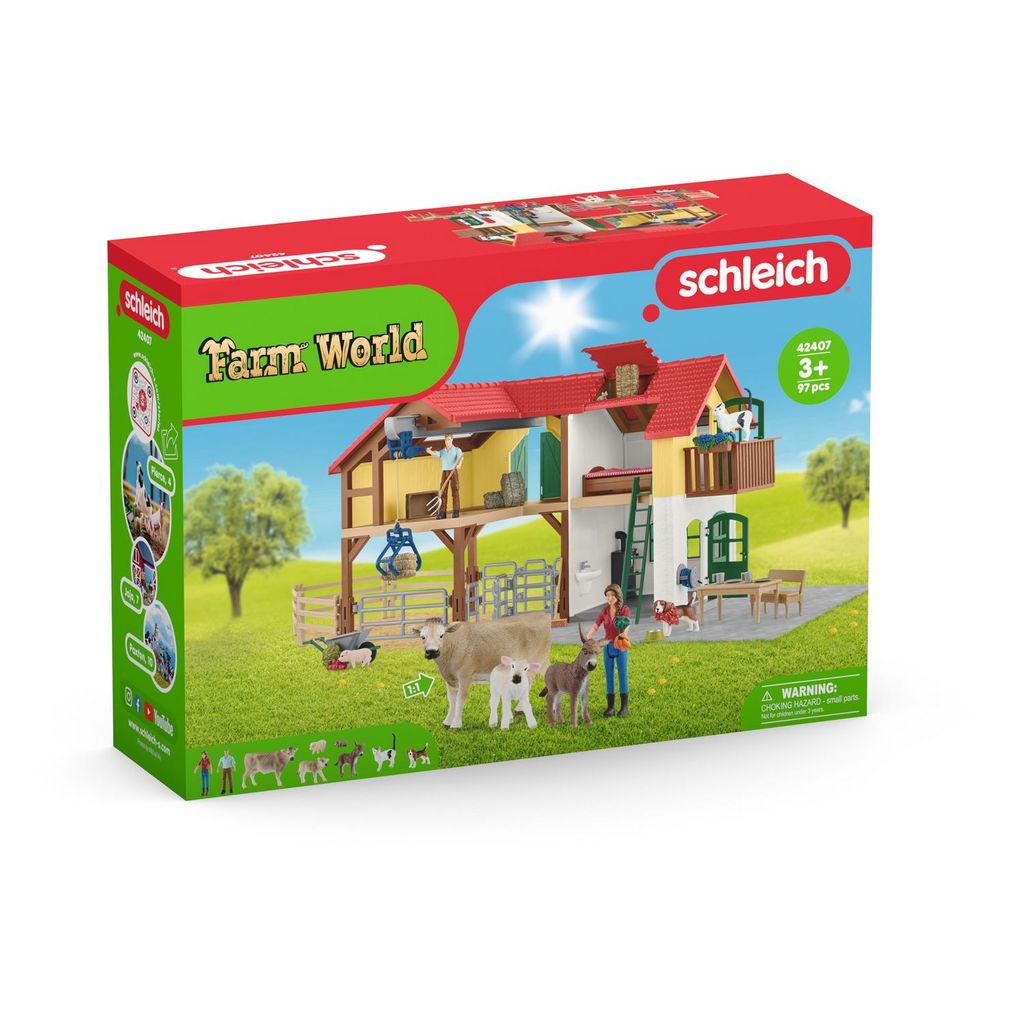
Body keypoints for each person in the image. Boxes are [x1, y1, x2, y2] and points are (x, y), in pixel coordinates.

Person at [586, 583, 631, 717]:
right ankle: (610, 707)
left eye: (612, 595)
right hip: (607, 646)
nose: (609, 598)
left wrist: (623, 635)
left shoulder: (624, 609)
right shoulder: (605, 611)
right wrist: (587, 638)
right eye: (607, 596)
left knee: (622, 674)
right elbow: (596, 625)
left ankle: (624, 707)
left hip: (620, 645)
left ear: (617, 595)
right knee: (609, 675)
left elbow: (627, 623)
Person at [425, 433, 463, 519]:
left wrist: (459, 464)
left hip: (453, 471)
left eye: (449, 439)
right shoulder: (443, 451)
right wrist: (430, 451)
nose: (447, 441)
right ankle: (442, 512)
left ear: (452, 440)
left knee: (455, 491)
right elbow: (436, 454)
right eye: (446, 440)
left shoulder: (457, 450)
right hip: (445, 472)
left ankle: (456, 511)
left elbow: (460, 458)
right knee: (442, 492)